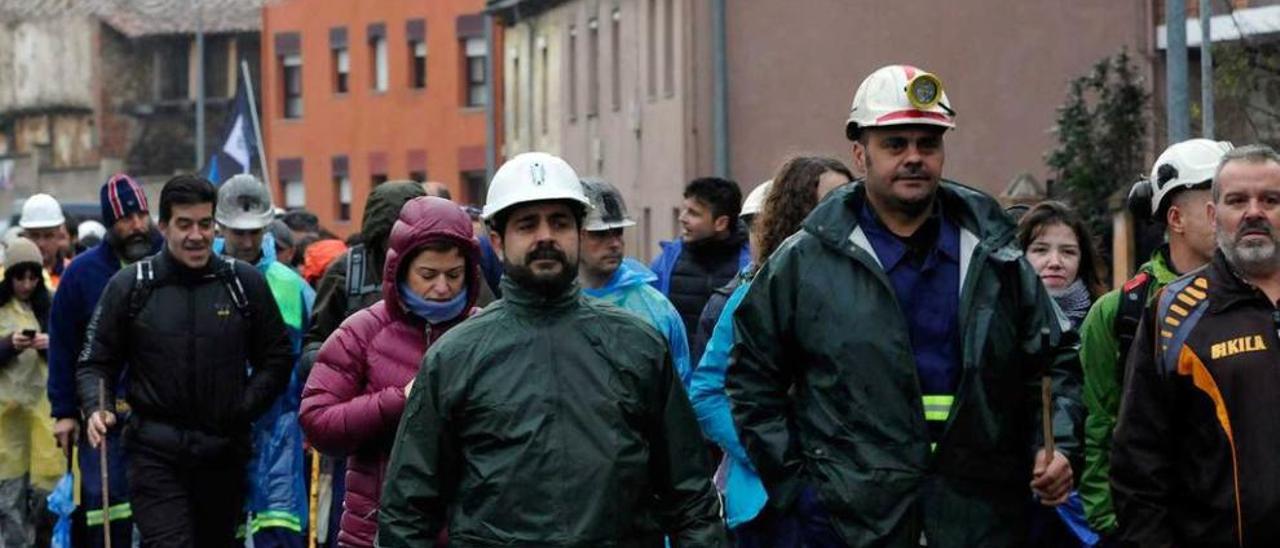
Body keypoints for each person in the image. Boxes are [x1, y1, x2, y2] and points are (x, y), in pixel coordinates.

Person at [726, 64, 1081, 546]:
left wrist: (1054, 445)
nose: (914, 157)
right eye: (895, 144)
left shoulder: (995, 255)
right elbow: (750, 381)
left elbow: (1055, 358)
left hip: (979, 521)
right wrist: (803, 490)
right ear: (860, 153)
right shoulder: (806, 262)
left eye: (927, 143)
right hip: (852, 526)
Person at [378, 152, 726, 547]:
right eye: (527, 224)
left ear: (578, 232)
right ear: (497, 240)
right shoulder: (455, 357)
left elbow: (691, 498)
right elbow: (407, 512)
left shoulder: (637, 345)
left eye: (559, 222)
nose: (546, 236)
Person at [76, 175, 294, 547]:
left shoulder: (243, 285)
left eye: (205, 224)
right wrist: (98, 406)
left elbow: (276, 358)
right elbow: (95, 361)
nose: (197, 235)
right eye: (184, 224)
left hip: (223, 455)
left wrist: (242, 407)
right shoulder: (131, 286)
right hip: (153, 455)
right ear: (164, 227)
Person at [1111, 144, 1280, 546]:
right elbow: (1139, 466)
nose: (1253, 212)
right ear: (1213, 214)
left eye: (1270, 200)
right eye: (1237, 200)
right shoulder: (1172, 314)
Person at [689, 156, 851, 544]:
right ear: (799, 213)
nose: (846, 212)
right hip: (768, 505)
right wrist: (775, 460)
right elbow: (706, 391)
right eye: (830, 201)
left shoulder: (866, 293)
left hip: (850, 499)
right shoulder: (755, 293)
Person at [300, 197, 480, 547]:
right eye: (428, 275)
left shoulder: (485, 331)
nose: (443, 287)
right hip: (374, 532)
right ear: (400, 269)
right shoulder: (362, 331)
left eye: (454, 275)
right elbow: (318, 422)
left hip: (467, 531)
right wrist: (401, 400)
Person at [1077, 138, 1232, 540]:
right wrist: (1115, 528)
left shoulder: (1261, 301)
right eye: (1217, 198)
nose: (1233, 211)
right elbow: (1100, 430)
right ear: (1176, 218)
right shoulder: (1118, 314)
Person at [46, 173, 160, 547]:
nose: (137, 225)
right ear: (111, 224)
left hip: (162, 411)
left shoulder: (169, 263)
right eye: (127, 218)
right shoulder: (82, 274)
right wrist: (63, 411)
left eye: (141, 214)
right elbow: (63, 346)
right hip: (102, 414)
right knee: (104, 504)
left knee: (160, 503)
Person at [213, 175, 316, 547]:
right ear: (220, 226)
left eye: (255, 231)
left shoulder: (292, 286)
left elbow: (310, 354)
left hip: (281, 434)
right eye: (238, 232)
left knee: (279, 531)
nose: (246, 241)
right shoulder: (202, 279)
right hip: (218, 434)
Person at [1016, 200, 1107, 546]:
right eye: (1040, 249)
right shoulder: (999, 322)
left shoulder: (1104, 320)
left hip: (1086, 499)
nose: (1054, 262)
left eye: (1068, 251)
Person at [578, 178, 692, 384]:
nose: (614, 243)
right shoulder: (548, 304)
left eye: (618, 232)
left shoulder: (656, 310)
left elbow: (679, 391)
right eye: (600, 234)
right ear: (573, 235)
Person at [0, 238, 63, 548]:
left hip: (43, 419)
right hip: (5, 423)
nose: (26, 284)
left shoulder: (51, 306)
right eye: (19, 277)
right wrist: (7, 345)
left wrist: (50, 346)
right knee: (8, 501)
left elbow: (72, 353)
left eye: (32, 277)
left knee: (45, 498)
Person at [649, 177, 750, 351]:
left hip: (726, 374)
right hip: (678, 376)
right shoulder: (666, 263)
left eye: (693, 213)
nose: (682, 218)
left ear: (721, 223)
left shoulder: (749, 264)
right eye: (684, 209)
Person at [18, 194, 69, 290]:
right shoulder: (5, 276)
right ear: (24, 236)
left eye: (48, 236)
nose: (41, 244)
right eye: (34, 236)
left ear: (59, 235)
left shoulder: (73, 273)